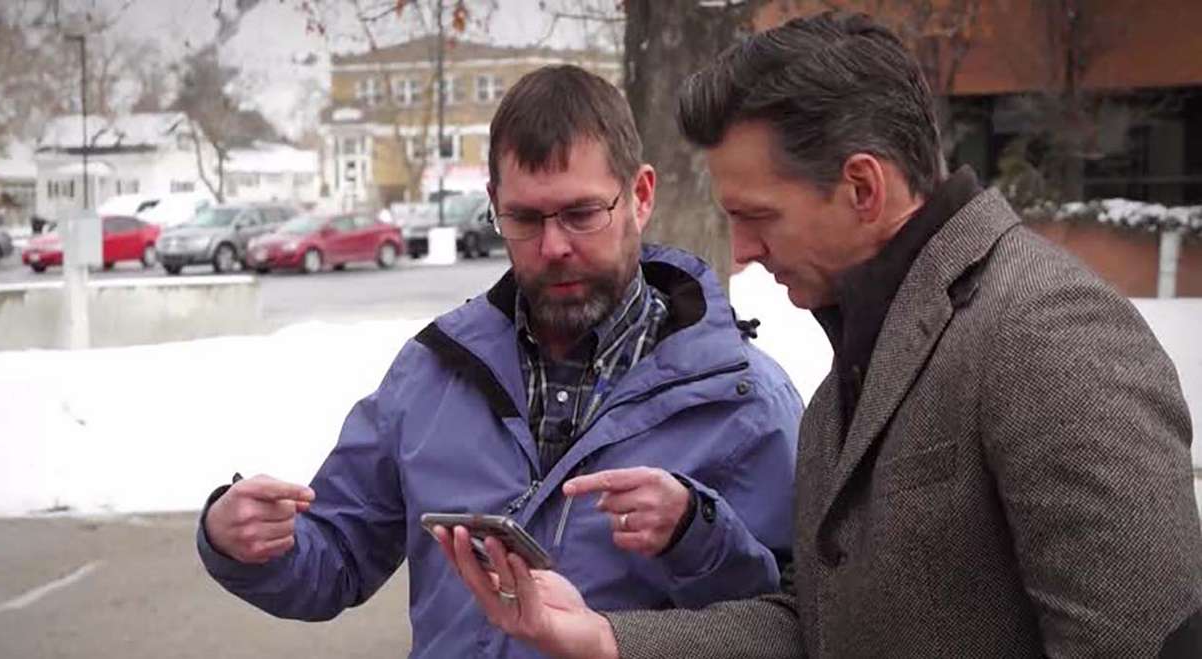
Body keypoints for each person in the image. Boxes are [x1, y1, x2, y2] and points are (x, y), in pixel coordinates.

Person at [438, 11, 1202, 658]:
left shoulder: (1046, 330)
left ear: (863, 188)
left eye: (758, 216)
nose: (741, 252)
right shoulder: (854, 367)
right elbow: (815, 624)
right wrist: (609, 636)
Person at [196, 65, 803, 658]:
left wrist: (695, 535)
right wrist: (246, 542)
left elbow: (787, 626)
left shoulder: (745, 400)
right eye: (525, 218)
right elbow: (335, 557)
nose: (554, 245)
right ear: (494, 205)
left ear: (641, 197)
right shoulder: (431, 373)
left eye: (581, 213)